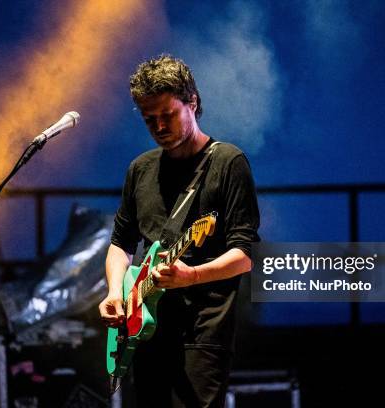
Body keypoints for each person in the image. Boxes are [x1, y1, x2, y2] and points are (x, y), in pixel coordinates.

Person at [99, 54, 260, 408]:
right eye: (149, 119)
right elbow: (120, 245)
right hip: (145, 327)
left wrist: (191, 276)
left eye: (167, 115)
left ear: (193, 102)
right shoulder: (140, 170)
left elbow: (244, 255)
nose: (158, 126)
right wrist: (114, 292)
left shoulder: (227, 163)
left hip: (202, 331)